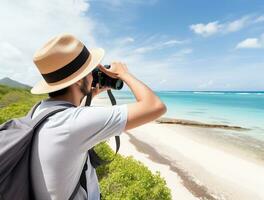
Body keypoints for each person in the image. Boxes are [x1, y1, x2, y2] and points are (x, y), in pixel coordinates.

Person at [30, 33, 167, 200]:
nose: (93, 76)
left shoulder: (39, 110)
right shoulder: (74, 123)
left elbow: (69, 121)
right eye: (90, 72)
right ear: (78, 81)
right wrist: (124, 74)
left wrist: (88, 95)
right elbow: (155, 106)